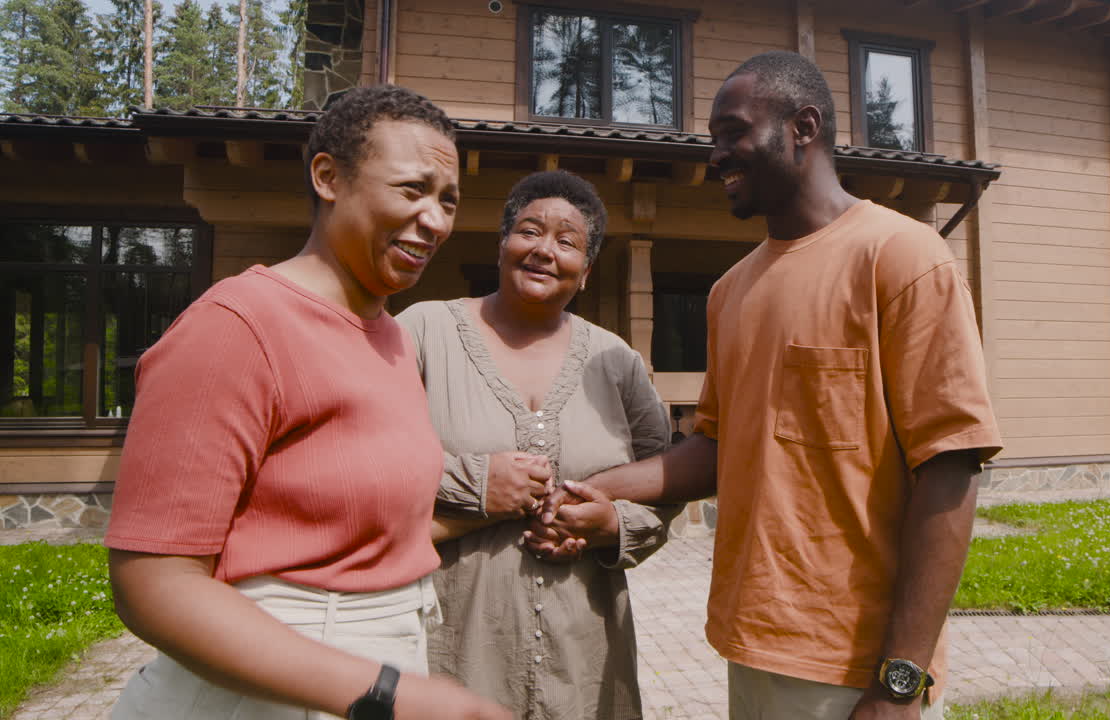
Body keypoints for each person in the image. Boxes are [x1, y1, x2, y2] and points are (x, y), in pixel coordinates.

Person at [533, 52, 1003, 720]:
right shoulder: (731, 291)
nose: (717, 154)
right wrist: (594, 489)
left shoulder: (900, 257)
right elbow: (719, 449)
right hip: (750, 641)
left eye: (734, 132)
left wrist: (901, 680)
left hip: (856, 663)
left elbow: (951, 466)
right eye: (715, 138)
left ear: (803, 125)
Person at [103, 85, 509, 720]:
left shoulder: (394, 341)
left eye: (448, 199)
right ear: (328, 177)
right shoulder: (237, 325)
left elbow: (347, 525)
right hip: (263, 695)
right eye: (412, 188)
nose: (435, 219)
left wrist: (490, 508)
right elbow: (152, 584)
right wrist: (385, 694)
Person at [396, 170, 680, 720]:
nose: (545, 250)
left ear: (587, 271)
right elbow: (368, 459)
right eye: (529, 231)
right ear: (502, 244)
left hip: (585, 657)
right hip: (455, 646)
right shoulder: (424, 332)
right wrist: (477, 484)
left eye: (567, 241)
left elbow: (666, 481)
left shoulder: (615, 360)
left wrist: (612, 525)